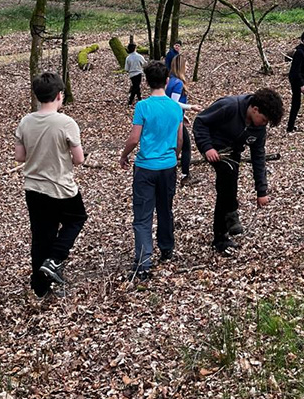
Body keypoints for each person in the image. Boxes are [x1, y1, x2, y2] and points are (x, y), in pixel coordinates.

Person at [14, 72, 88, 298]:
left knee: (41, 236)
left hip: (34, 188)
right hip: (60, 187)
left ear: (37, 96)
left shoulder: (25, 122)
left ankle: (40, 288)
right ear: (59, 95)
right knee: (77, 218)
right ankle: (55, 259)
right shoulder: (66, 123)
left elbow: (20, 157)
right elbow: (79, 159)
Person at [192, 88, 284, 255]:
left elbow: (258, 157)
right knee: (226, 178)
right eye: (264, 120)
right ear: (255, 109)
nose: (264, 124)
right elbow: (200, 122)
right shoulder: (229, 106)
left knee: (231, 180)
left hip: (233, 151)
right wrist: (207, 147)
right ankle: (222, 232)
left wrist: (261, 191)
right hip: (214, 147)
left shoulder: (258, 129)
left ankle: (229, 214)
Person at [119, 62, 183, 280]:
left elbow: (134, 138)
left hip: (146, 167)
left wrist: (124, 155)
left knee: (143, 215)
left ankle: (143, 262)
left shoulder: (143, 107)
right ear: (167, 81)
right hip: (168, 166)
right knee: (165, 209)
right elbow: (180, 139)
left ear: (146, 82)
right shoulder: (175, 107)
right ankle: (166, 248)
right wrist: (174, 156)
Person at [166, 54, 196, 184]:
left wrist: (183, 116)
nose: (188, 67)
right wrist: (191, 107)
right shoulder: (178, 83)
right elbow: (173, 103)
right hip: (174, 120)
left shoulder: (170, 80)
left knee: (175, 146)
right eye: (186, 65)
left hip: (174, 117)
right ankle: (185, 175)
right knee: (186, 146)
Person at [125, 42, 147, 107]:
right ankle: (131, 100)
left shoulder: (128, 58)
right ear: (135, 48)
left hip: (132, 74)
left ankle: (139, 98)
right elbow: (144, 64)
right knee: (136, 86)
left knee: (136, 85)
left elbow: (126, 68)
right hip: (138, 73)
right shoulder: (139, 56)